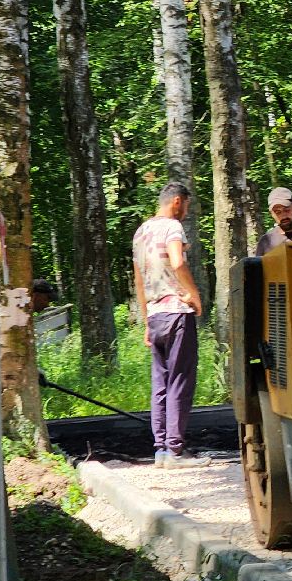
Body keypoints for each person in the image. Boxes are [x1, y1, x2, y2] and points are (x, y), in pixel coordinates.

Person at [132, 181, 207, 469]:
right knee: (180, 379)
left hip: (154, 315)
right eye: (186, 205)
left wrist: (146, 321)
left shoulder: (141, 232)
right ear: (177, 202)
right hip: (177, 312)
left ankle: (161, 449)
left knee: (160, 382)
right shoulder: (172, 228)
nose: (186, 211)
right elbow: (177, 262)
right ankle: (176, 450)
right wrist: (194, 295)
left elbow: (139, 280)